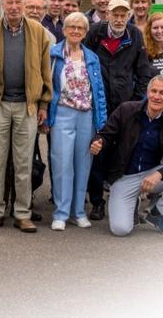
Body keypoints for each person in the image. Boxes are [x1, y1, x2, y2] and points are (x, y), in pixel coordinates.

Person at [0, 0, 52, 233]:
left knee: (24, 163)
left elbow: (44, 69)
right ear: (2, 5)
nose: (15, 7)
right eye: (10, 3)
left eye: (19, 2)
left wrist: (43, 103)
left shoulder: (38, 32)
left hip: (27, 106)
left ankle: (22, 213)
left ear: (25, 5)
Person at [90, 75, 163, 237]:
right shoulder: (126, 110)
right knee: (121, 230)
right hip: (123, 176)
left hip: (152, 174)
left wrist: (160, 173)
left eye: (162, 93)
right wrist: (99, 142)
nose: (156, 96)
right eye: (153, 91)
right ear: (147, 92)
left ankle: (158, 216)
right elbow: (106, 135)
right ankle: (132, 201)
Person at [82, 0, 155, 220]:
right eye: (115, 14)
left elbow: (143, 72)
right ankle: (97, 202)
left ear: (129, 16)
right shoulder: (95, 32)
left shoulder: (135, 35)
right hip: (99, 103)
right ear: (107, 14)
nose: (119, 19)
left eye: (124, 15)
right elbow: (84, 61)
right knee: (97, 150)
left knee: (124, 153)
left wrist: (135, 102)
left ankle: (122, 200)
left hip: (125, 105)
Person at [46, 12, 107, 230]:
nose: (75, 31)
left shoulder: (91, 57)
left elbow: (98, 90)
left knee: (83, 164)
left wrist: (102, 122)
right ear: (64, 30)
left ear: (85, 32)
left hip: (87, 115)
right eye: (71, 27)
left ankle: (78, 211)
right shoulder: (53, 54)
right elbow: (47, 87)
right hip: (62, 113)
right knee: (62, 164)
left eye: (80, 28)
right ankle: (61, 213)